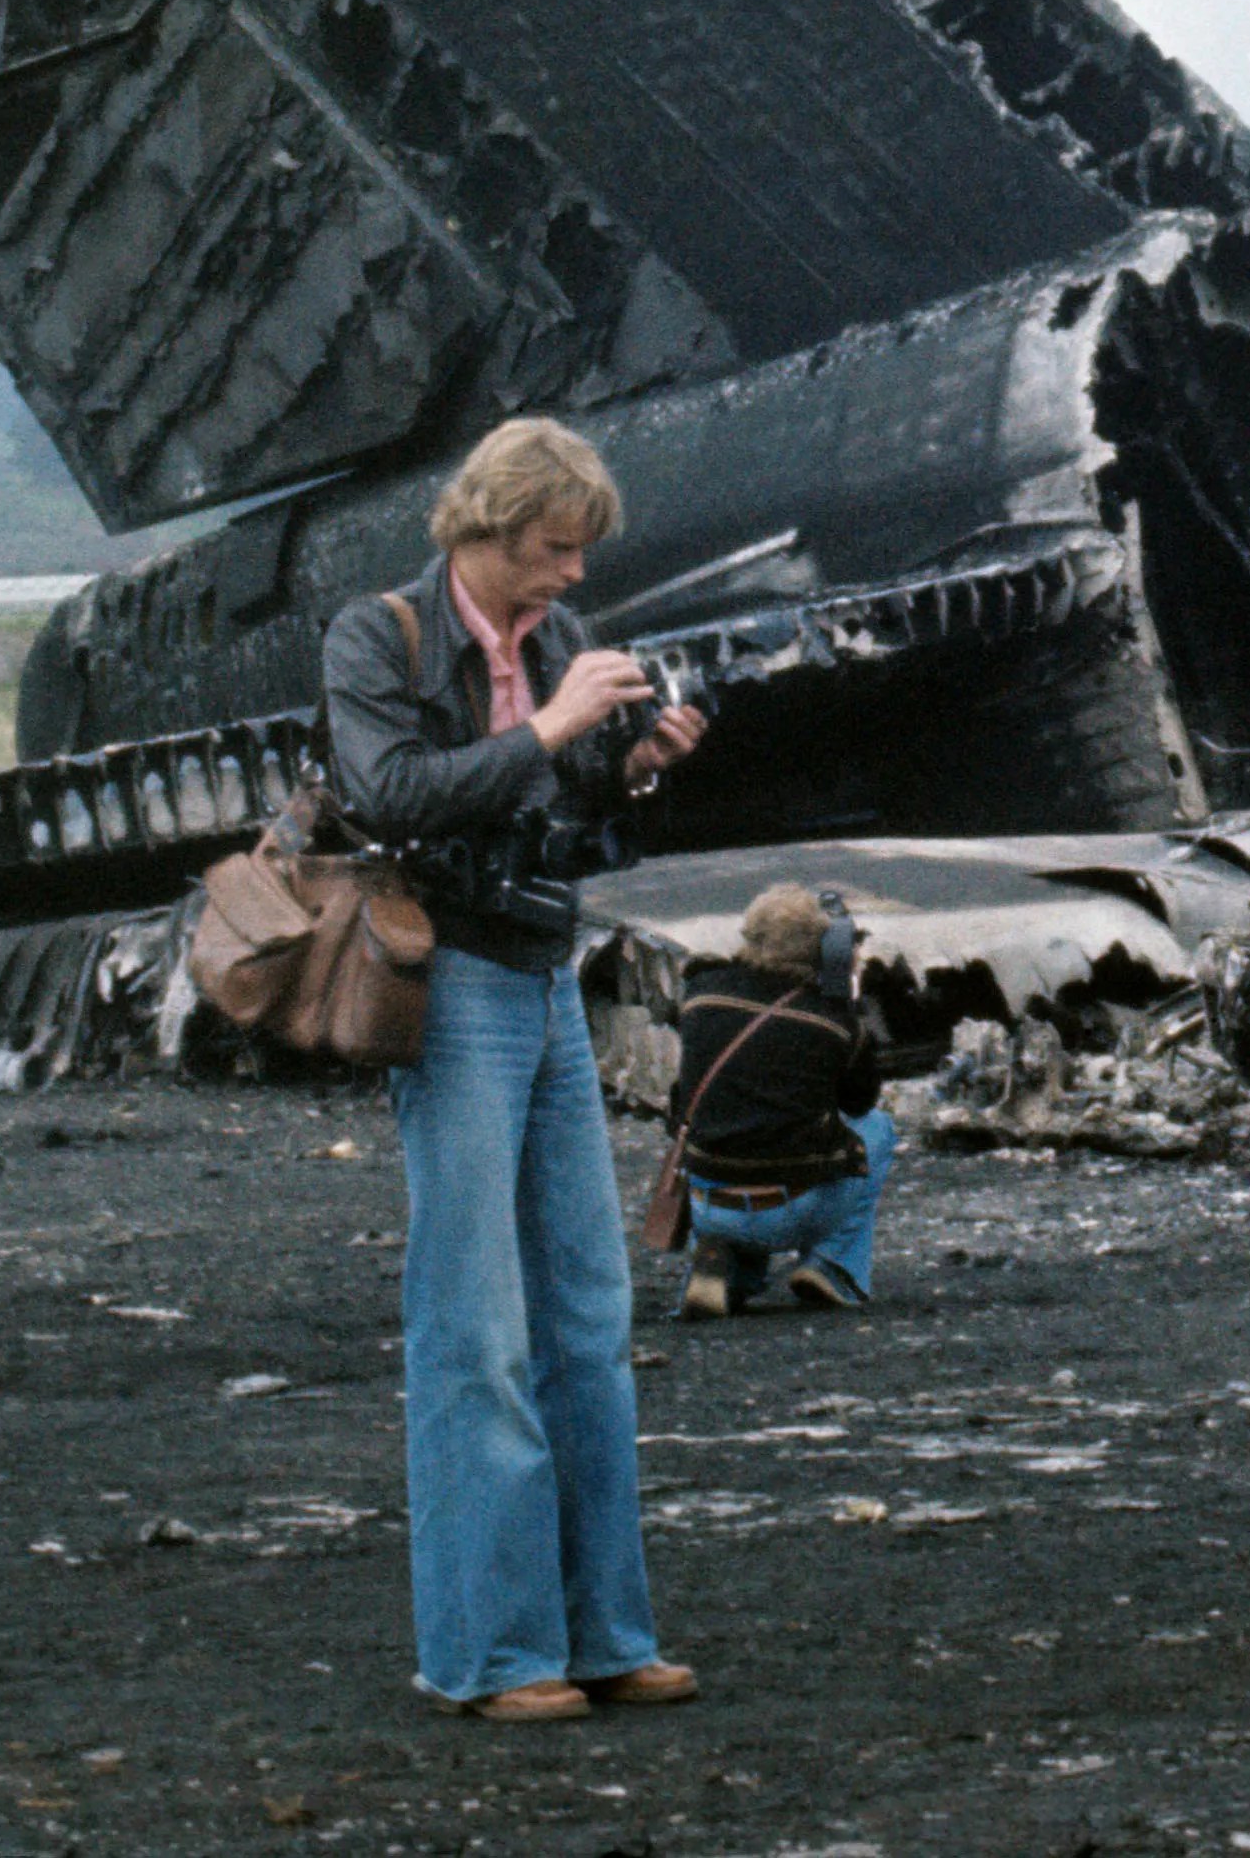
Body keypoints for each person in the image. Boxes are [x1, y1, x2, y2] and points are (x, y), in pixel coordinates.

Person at [323, 417, 709, 1725]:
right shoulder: (379, 635)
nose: (567, 579)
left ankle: (603, 1634)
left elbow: (558, 806)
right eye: (552, 550)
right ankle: (492, 1651)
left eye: (579, 555)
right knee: (473, 1324)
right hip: (453, 995)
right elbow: (387, 795)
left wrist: (632, 765)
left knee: (588, 1321)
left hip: (547, 974)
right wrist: (552, 728)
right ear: (485, 527)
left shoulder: (549, 640)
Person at [668, 883, 892, 1318]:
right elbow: (859, 1103)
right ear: (824, 949)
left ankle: (723, 1268)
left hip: (707, 1206)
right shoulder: (835, 1022)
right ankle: (830, 1264)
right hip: (793, 1208)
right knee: (877, 1128)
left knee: (731, 1129)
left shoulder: (700, 997)